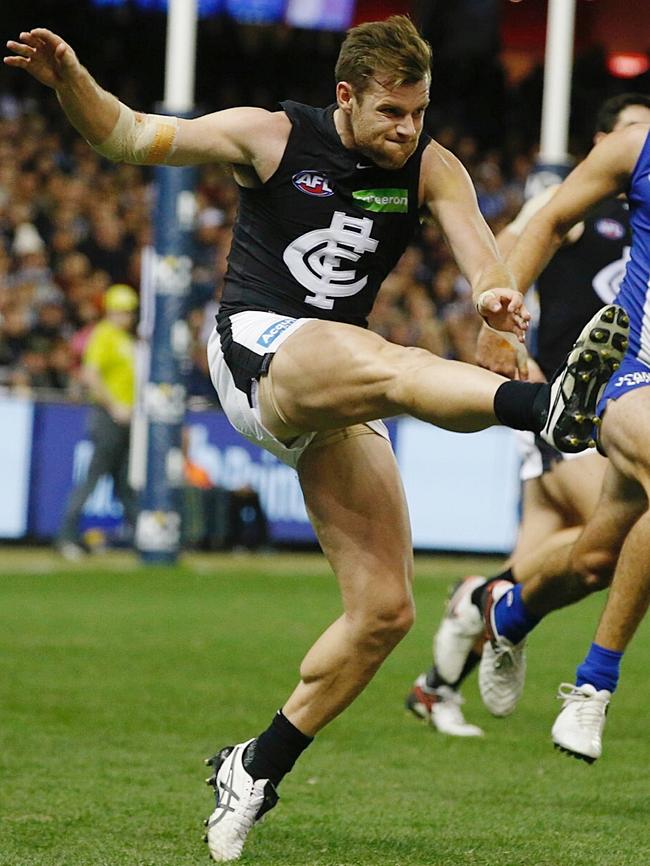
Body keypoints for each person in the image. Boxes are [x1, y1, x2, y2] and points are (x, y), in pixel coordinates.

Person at [5, 19, 627, 859]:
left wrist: (494, 300)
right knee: (389, 360)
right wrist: (70, 78)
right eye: (392, 112)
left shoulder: (430, 166)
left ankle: (255, 765)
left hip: (340, 382)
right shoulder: (270, 136)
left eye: (419, 111)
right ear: (346, 97)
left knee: (385, 612)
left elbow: (485, 257)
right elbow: (129, 135)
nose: (408, 129)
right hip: (261, 350)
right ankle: (544, 408)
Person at [406, 93, 650, 737]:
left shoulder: (633, 224)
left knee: (590, 557)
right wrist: (508, 336)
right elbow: (514, 242)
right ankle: (586, 677)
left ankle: (464, 640)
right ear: (602, 141)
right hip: (573, 396)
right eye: (627, 128)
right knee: (623, 539)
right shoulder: (589, 206)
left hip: (612, 406)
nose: (637, 137)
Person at [56, 283, 140, 559]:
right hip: (108, 417)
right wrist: (114, 405)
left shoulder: (125, 340)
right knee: (93, 479)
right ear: (110, 311)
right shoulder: (104, 336)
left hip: (125, 419)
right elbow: (90, 374)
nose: (125, 317)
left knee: (125, 483)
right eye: (120, 311)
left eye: (128, 312)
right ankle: (66, 536)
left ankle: (141, 535)